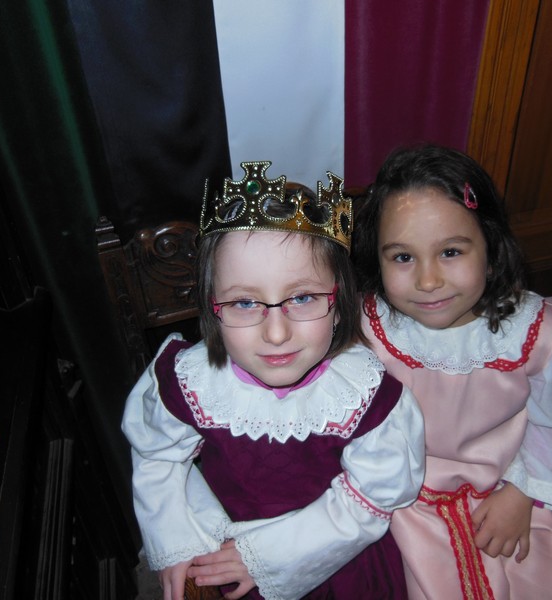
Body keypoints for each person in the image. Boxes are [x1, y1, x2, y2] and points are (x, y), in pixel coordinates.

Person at [122, 161, 425, 600]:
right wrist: (179, 542)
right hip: (224, 551)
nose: (277, 333)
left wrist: (268, 556)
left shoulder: (362, 395)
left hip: (333, 560)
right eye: (245, 303)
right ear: (211, 306)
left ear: (339, 301)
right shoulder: (192, 381)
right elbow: (157, 455)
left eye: (302, 298)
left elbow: (372, 497)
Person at [352, 144, 552, 599]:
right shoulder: (368, 329)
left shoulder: (539, 334)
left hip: (508, 490)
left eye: (450, 251)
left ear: (489, 248)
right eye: (403, 257)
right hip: (396, 503)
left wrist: (524, 492)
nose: (428, 281)